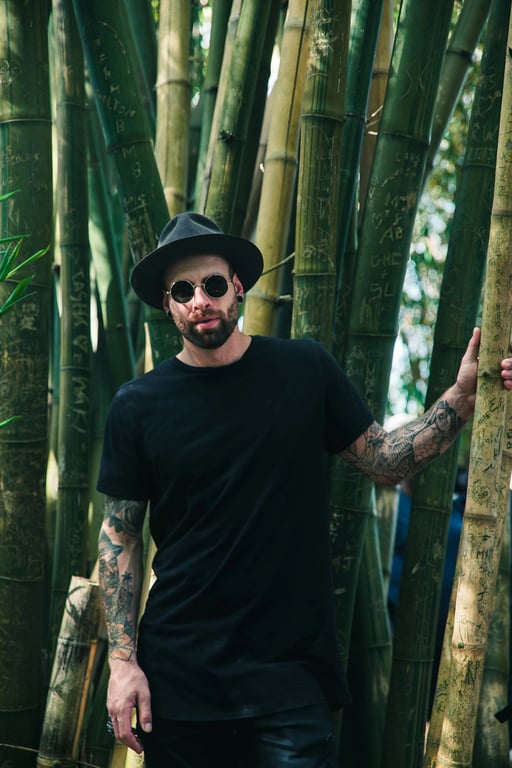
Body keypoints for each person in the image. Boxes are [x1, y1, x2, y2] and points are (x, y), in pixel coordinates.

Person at [96, 211, 512, 768]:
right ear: (168, 305)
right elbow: (119, 539)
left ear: (237, 287)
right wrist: (123, 664)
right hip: (181, 677)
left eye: (213, 284)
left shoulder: (303, 369)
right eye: (183, 291)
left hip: (290, 678)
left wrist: (459, 401)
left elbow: (385, 460)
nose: (200, 300)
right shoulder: (136, 406)